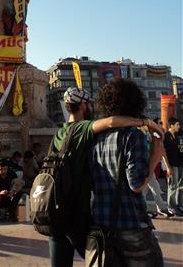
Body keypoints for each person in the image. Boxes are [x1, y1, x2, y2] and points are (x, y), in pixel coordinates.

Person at [48, 87, 163, 267]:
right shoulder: (83, 129)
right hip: (89, 216)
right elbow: (110, 122)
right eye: (90, 104)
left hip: (58, 213)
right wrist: (148, 125)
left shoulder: (61, 133)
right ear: (84, 105)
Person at [88, 79, 164, 267]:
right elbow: (136, 185)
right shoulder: (133, 136)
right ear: (136, 102)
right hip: (130, 224)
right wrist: (155, 158)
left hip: (100, 225)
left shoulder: (95, 137)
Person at [139, 126, 174, 218]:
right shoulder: (141, 136)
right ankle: (160, 208)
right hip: (143, 166)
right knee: (153, 187)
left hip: (147, 165)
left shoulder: (150, 137)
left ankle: (144, 209)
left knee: (146, 189)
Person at [0, 157, 24, 221]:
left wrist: (14, 191)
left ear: (7, 168)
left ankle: (11, 213)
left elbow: (19, 185)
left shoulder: (11, 173)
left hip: (8, 196)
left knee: (19, 193)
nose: (3, 171)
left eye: (5, 169)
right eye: (1, 169)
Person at [164, 117, 183, 216]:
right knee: (172, 186)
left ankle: (179, 205)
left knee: (180, 186)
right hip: (172, 165)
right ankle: (171, 206)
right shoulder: (166, 136)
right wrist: (167, 166)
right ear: (171, 125)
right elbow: (164, 153)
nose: (179, 126)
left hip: (180, 164)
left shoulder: (177, 135)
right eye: (177, 125)